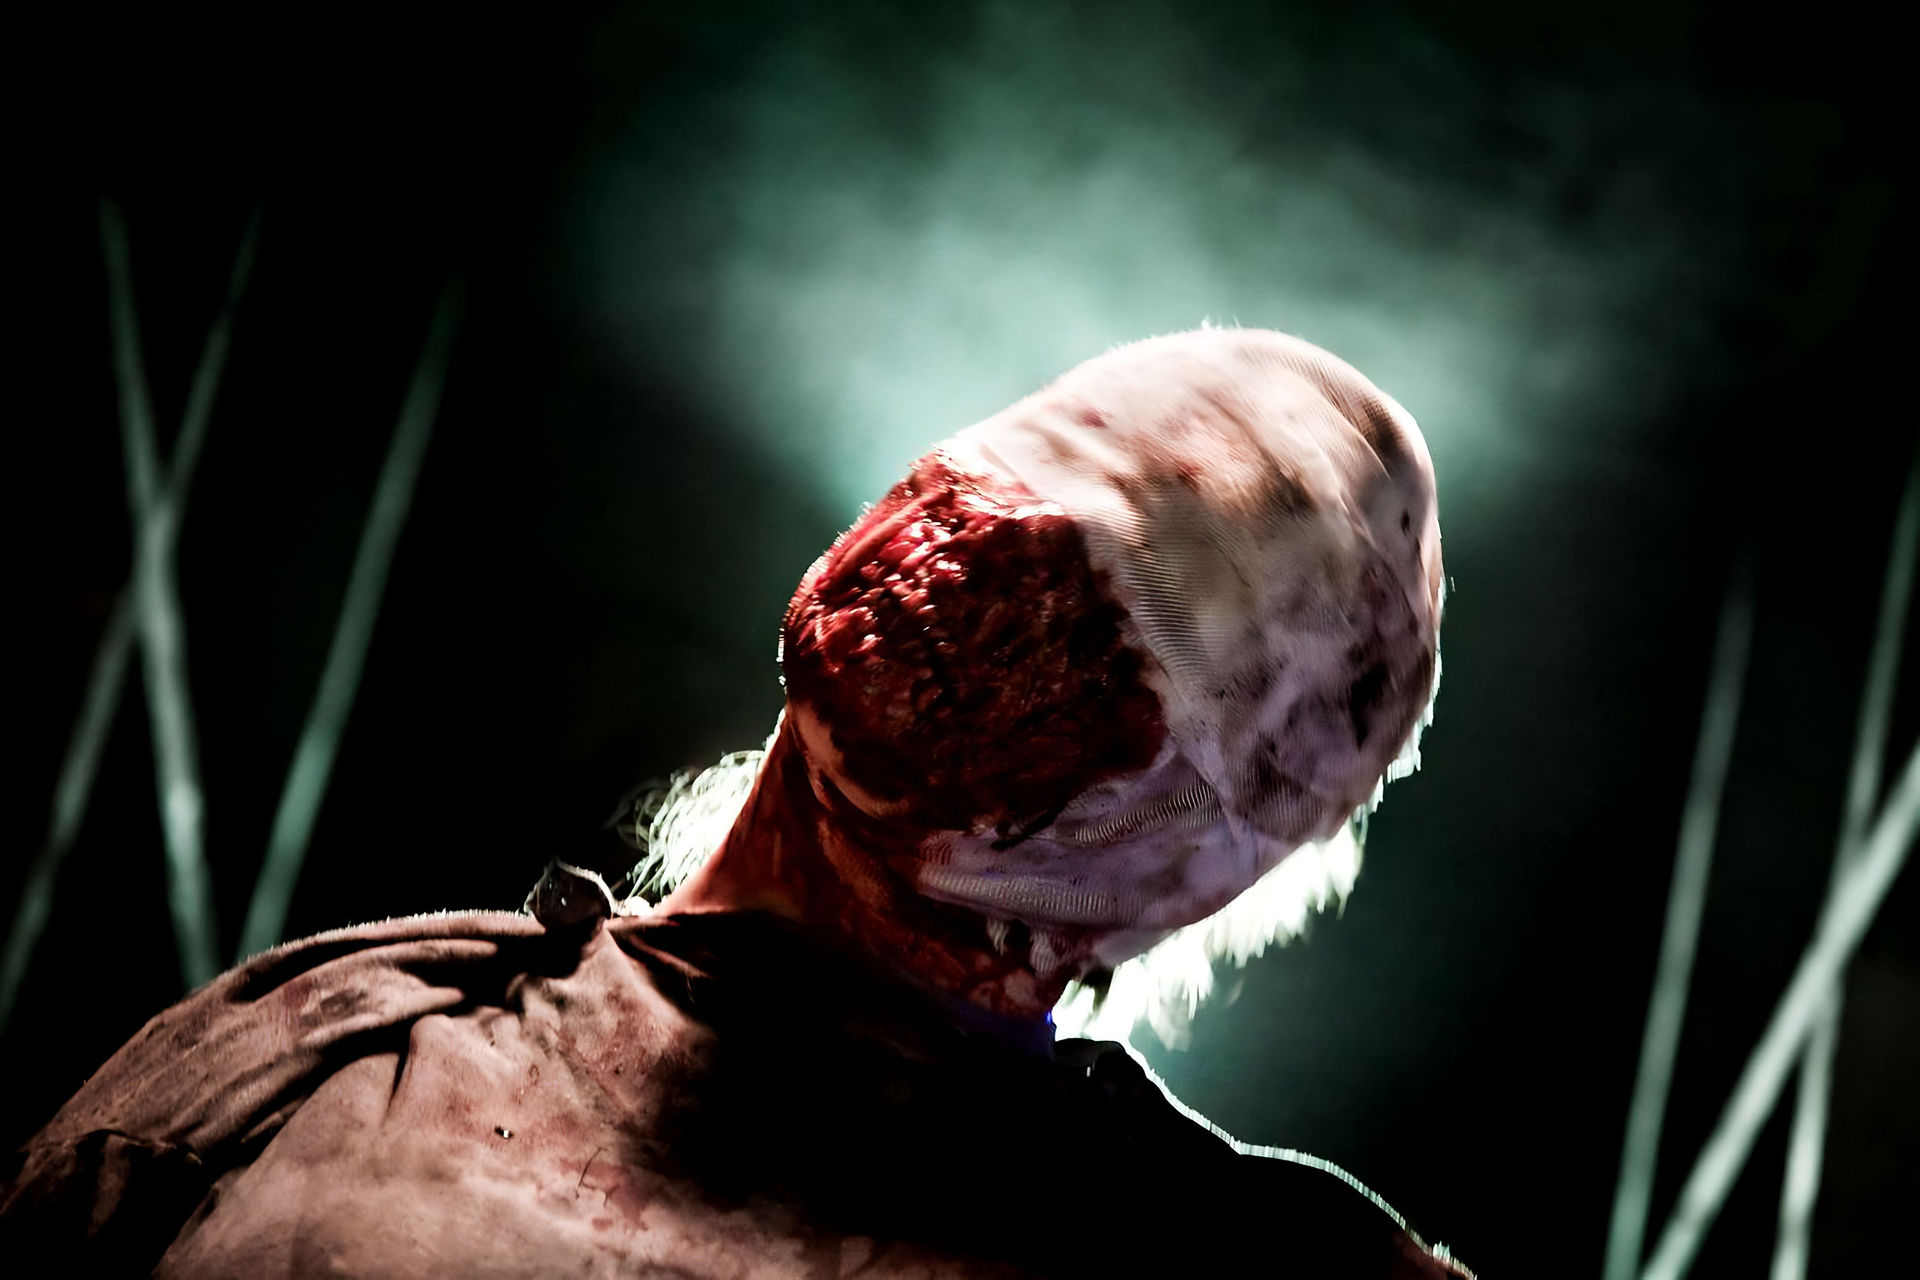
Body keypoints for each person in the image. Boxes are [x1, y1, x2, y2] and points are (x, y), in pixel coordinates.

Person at [2, 327, 1470, 1277]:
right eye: (996, 503)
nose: (972, 569)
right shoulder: (313, 1052)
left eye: (1106, 636)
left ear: (1219, 845)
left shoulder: (1264, 1265)